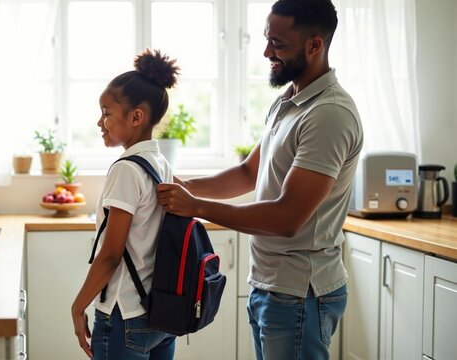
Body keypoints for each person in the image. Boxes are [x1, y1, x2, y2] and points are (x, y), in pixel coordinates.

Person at [155, 0, 363, 359]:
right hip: (270, 286)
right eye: (267, 40)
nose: (267, 52)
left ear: (315, 45)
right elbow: (249, 172)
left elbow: (286, 218)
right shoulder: (289, 100)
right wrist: (183, 187)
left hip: (300, 293)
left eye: (278, 44)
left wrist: (198, 206)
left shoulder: (329, 114)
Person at [71, 49, 180, 360]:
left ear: (135, 117)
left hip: (123, 314)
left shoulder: (126, 169)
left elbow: (110, 255)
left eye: (106, 112)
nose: (99, 122)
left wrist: (78, 307)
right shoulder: (160, 163)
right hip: (158, 313)